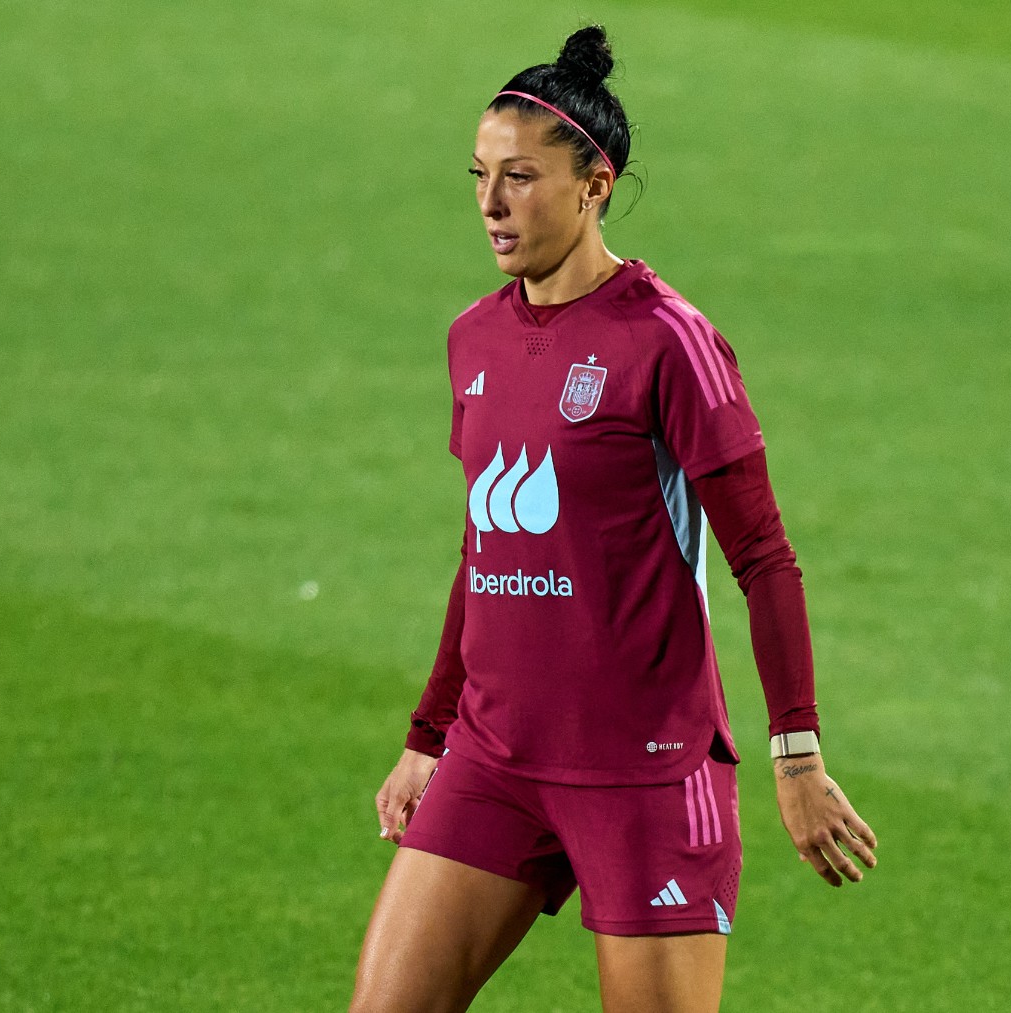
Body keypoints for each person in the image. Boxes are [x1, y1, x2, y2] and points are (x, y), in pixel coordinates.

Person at [351, 25, 878, 1013]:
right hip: (495, 756)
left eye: (520, 177)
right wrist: (429, 732)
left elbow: (762, 554)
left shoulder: (668, 341)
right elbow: (486, 549)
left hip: (644, 773)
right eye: (478, 174)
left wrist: (796, 749)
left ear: (597, 184)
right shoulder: (474, 338)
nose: (490, 203)